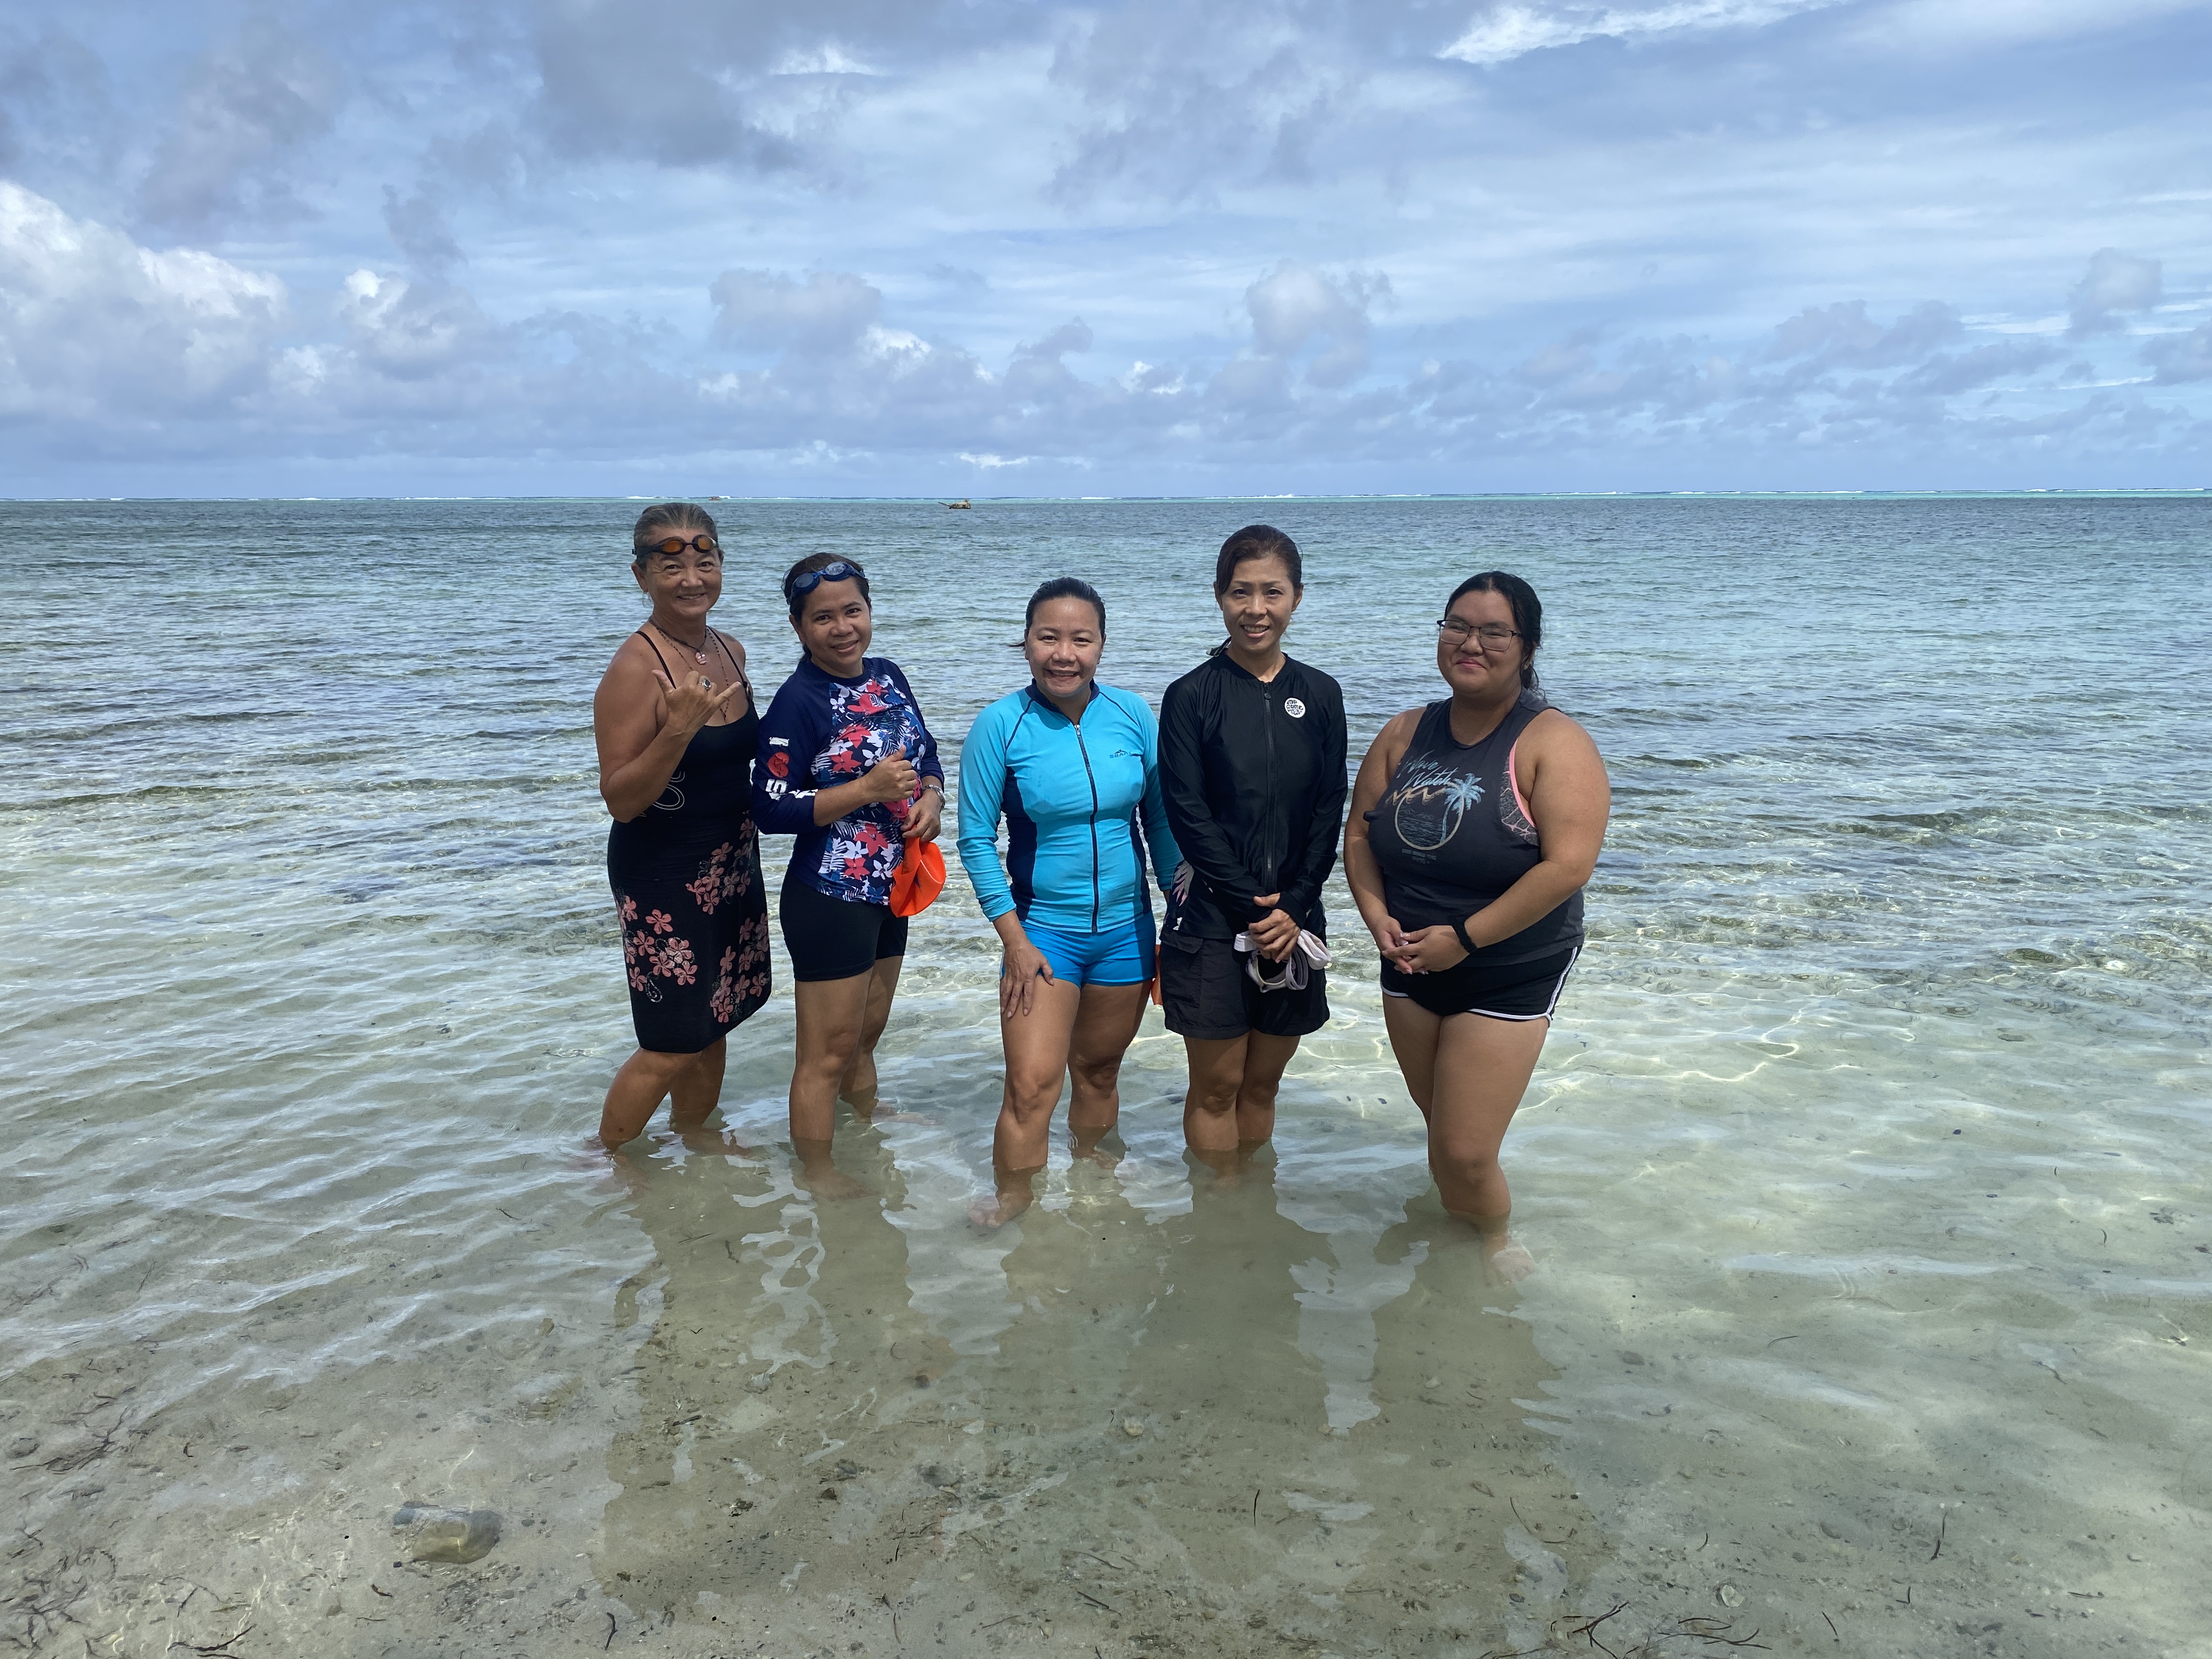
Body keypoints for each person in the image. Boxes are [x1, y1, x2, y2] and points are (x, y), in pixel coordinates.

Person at [1342, 572, 1610, 1281]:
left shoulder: (1554, 741)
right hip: (1407, 961)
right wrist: (1377, 923)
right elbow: (1361, 839)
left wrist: (1463, 939)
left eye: (1495, 631)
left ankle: (1491, 1237)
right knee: (1442, 1131)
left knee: (1463, 1149)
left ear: (1526, 649)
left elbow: (1568, 867)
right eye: (1457, 625)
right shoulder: (1405, 731)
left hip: (1508, 966)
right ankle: (1451, 1232)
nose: (1471, 643)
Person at [955, 578, 1181, 1224]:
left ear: (1101, 645)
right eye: (1048, 637)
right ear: (1025, 643)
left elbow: (1161, 824)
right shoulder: (1003, 724)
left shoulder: (1134, 715)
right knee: (1031, 1087)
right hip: (1043, 934)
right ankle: (1014, 1199)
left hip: (1127, 932)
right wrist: (1015, 942)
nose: (1064, 653)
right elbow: (974, 840)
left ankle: (1094, 1183)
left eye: (1081, 639)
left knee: (1101, 1073)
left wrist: (1178, 913)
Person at [751, 553, 944, 1191]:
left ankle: (865, 1119)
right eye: (823, 618)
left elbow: (927, 754)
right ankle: (816, 1169)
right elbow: (770, 811)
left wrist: (932, 800)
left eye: (852, 611)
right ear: (798, 627)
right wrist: (865, 788)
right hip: (829, 895)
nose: (842, 628)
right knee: (825, 1054)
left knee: (866, 1033)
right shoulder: (796, 703)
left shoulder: (888, 675)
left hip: (892, 885)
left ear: (869, 611)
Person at [1158, 525, 1347, 1167]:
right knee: (1216, 1088)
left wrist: (1294, 905)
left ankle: (1251, 1221)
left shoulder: (1321, 695)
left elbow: (1329, 808)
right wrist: (1251, 902)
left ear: (1297, 598)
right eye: (1241, 593)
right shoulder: (1191, 696)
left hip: (1295, 917)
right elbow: (1186, 811)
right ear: (1219, 597)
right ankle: (1216, 1215)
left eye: (1273, 592)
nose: (1256, 609)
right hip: (1211, 920)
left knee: (1263, 1083)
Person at [591, 503, 772, 1150]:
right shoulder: (634, 669)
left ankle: (696, 1139)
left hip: (730, 862)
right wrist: (677, 730)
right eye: (672, 565)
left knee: (715, 1016)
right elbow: (621, 798)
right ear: (641, 576)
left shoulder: (731, 649)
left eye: (705, 560)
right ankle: (603, 1161)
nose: (692, 577)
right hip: (663, 872)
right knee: (669, 1040)